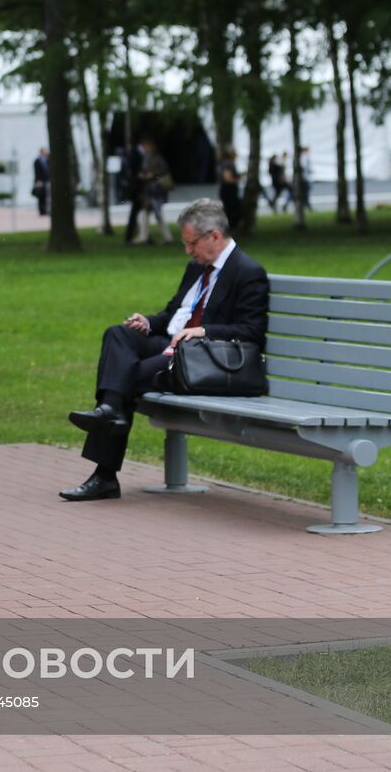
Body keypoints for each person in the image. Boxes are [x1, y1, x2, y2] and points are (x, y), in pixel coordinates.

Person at [59, 199, 268, 501]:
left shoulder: (247, 272)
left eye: (191, 243)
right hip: (172, 346)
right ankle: (111, 412)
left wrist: (204, 330)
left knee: (125, 377)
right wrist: (148, 322)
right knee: (118, 334)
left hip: (202, 359)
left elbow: (252, 332)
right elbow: (175, 313)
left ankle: (105, 467)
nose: (188, 251)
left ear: (214, 236)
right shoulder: (197, 268)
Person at [132, 138, 174, 245]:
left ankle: (165, 237)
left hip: (155, 190)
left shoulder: (155, 157)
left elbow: (163, 169)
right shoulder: (146, 157)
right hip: (149, 191)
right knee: (146, 214)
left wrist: (152, 174)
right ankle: (145, 236)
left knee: (157, 214)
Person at [218, 146, 243, 231]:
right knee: (231, 210)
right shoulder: (228, 164)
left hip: (229, 190)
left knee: (232, 209)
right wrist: (238, 179)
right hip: (228, 190)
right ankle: (230, 228)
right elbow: (227, 178)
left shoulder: (228, 163)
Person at [32, 147, 50, 216]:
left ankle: (47, 210)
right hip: (40, 181)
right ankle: (42, 211)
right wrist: (38, 181)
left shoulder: (48, 160)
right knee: (41, 196)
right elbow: (37, 172)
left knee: (47, 196)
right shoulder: (37, 161)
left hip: (47, 180)